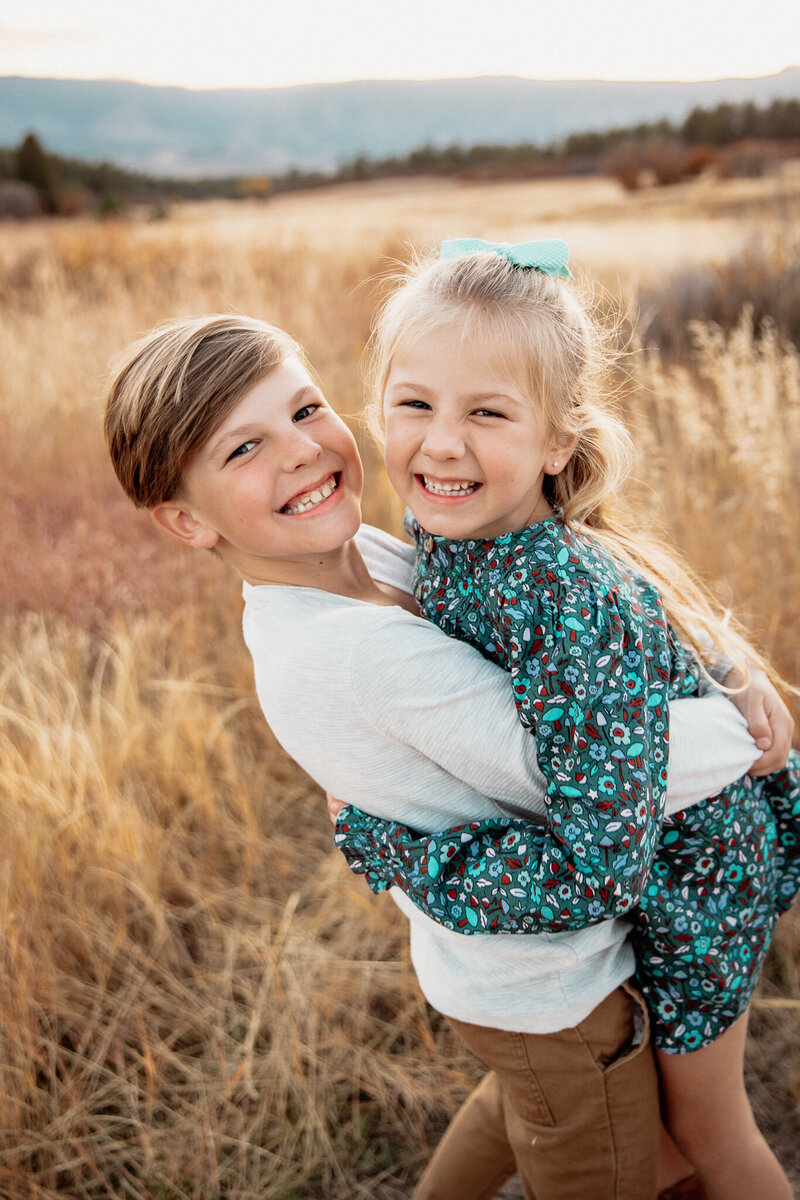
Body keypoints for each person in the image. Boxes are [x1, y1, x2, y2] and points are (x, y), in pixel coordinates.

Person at [103, 312, 792, 1200]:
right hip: (550, 989)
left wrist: (723, 665)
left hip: (524, 976)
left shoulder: (371, 556)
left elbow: (586, 639)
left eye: (306, 410)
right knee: (651, 1165)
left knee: (530, 1107)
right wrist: (743, 728)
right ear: (186, 522)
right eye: (244, 450)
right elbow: (588, 770)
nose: (303, 453)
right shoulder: (353, 652)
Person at [326, 239, 800, 1200]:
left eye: (487, 413)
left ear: (558, 443)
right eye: (414, 403)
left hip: (699, 886)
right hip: (655, 862)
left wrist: (390, 845)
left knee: (704, 1134)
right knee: (607, 1115)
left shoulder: (563, 601)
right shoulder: (458, 526)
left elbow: (597, 867)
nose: (442, 442)